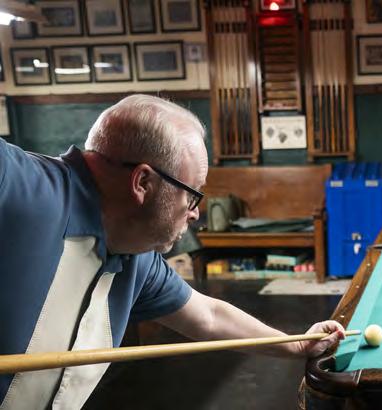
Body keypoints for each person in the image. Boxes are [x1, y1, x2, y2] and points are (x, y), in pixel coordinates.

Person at [0, 95, 346, 409]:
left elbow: (209, 317)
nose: (195, 213)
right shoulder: (21, 185)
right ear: (143, 183)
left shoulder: (136, 257)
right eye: (192, 194)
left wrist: (295, 344)